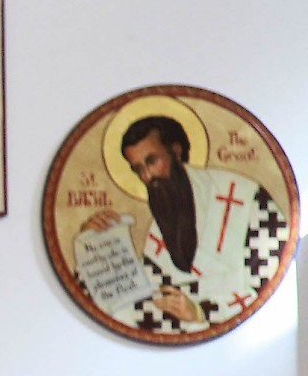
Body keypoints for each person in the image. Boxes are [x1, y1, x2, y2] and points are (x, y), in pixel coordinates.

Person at [77, 114, 287, 335]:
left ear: (176, 152)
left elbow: (270, 284)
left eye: (152, 161)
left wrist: (201, 313)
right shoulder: (160, 227)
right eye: (138, 169)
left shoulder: (246, 196)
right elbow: (141, 296)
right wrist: (94, 246)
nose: (147, 176)